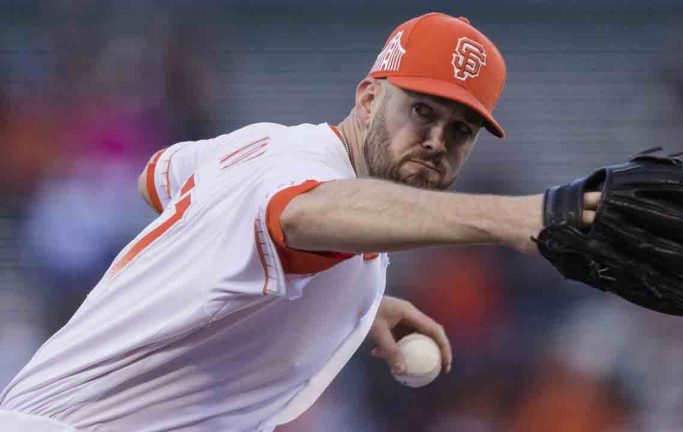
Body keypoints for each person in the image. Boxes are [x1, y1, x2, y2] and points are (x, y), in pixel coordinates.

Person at [0, 13, 601, 431]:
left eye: (461, 129)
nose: (437, 140)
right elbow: (305, 212)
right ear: (369, 97)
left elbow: (157, 177)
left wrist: (336, 300)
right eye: (421, 110)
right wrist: (517, 216)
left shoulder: (264, 144)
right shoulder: (302, 173)